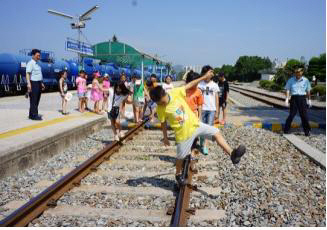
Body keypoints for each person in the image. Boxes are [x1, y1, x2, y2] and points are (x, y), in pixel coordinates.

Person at [149, 69, 246, 185]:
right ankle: (178, 174)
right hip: (183, 135)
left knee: (216, 132)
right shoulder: (160, 109)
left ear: (164, 94)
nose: (161, 104)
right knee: (180, 158)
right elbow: (163, 123)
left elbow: (189, 84)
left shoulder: (174, 92)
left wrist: (204, 77)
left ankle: (232, 154)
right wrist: (165, 137)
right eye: (159, 103)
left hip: (195, 125)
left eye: (162, 102)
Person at [197, 65, 220, 155]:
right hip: (201, 109)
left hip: (211, 109)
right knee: (202, 127)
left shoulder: (214, 85)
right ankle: (202, 140)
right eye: (209, 72)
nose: (211, 74)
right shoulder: (200, 84)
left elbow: (217, 99)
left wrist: (217, 111)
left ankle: (206, 146)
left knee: (209, 127)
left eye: (211, 72)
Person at [284, 67, 312, 136]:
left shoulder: (306, 80)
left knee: (304, 116)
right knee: (291, 115)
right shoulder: (291, 80)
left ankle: (307, 131)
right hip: (294, 98)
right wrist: (287, 99)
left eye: (299, 73)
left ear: (302, 73)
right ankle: (286, 129)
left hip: (302, 98)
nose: (298, 74)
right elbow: (287, 89)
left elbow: (308, 91)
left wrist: (309, 100)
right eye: (296, 73)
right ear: (295, 73)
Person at [185, 70, 204, 150]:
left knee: (193, 134)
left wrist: (199, 117)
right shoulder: (183, 90)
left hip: (194, 115)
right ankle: (186, 151)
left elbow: (199, 105)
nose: (196, 84)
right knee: (186, 135)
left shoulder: (198, 91)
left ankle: (192, 149)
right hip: (184, 115)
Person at [26, 49, 45, 120]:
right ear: (33, 55)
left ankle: (31, 114)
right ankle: (34, 115)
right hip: (33, 83)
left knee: (37, 99)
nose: (39, 57)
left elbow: (39, 75)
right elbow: (28, 74)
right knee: (34, 100)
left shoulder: (37, 64)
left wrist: (42, 83)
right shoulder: (30, 63)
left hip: (38, 83)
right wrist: (29, 84)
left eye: (39, 55)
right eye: (38, 55)